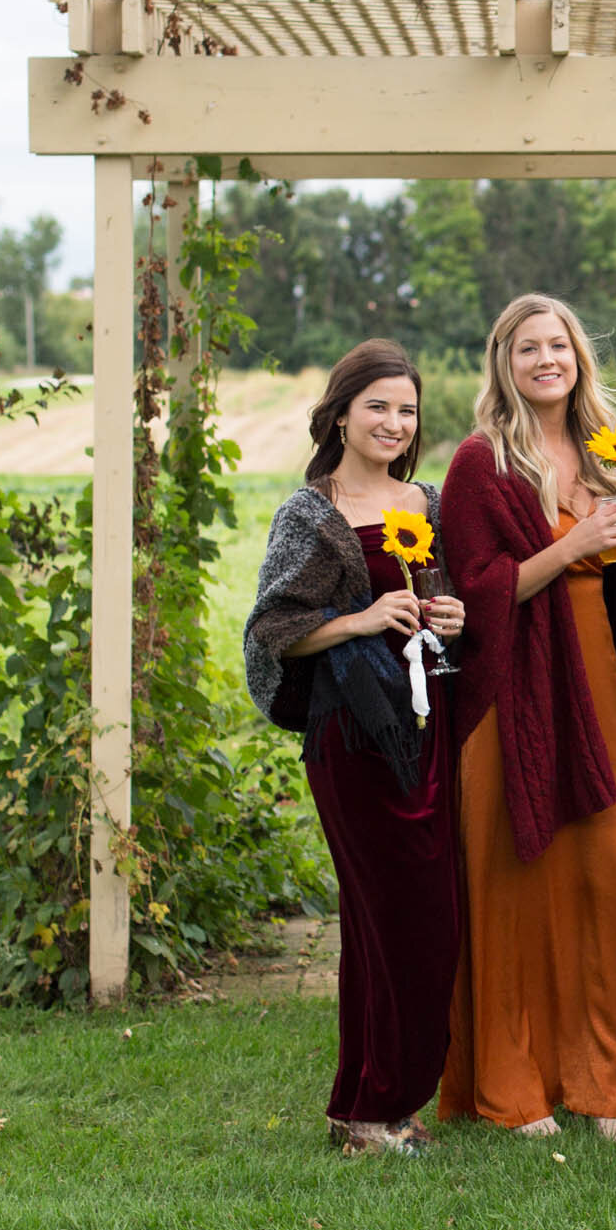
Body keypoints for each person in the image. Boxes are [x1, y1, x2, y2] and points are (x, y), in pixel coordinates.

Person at [436, 294, 616, 1144]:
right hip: (510, 696)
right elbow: (476, 594)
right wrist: (572, 544)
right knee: (519, 883)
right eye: (528, 348)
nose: (546, 359)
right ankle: (521, 1087)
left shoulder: (611, 459)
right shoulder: (481, 463)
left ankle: (611, 1083)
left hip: (603, 691)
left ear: (578, 358)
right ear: (503, 362)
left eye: (558, 344)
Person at [243, 338, 463, 1157]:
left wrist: (454, 616)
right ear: (340, 412)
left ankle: (378, 1103)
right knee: (386, 919)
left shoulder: (431, 502)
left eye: (406, 410)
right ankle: (369, 1111)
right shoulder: (313, 511)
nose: (393, 422)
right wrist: (363, 617)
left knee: (430, 923)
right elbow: (273, 631)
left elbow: (450, 601)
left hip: (428, 727)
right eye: (377, 406)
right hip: (355, 738)